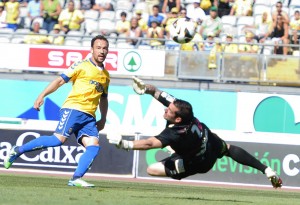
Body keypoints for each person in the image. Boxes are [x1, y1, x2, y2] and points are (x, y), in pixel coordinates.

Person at [107, 77, 283, 189]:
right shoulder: (183, 109)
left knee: (151, 169)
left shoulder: (175, 132)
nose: (166, 110)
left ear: (177, 120)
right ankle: (267, 170)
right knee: (228, 148)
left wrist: (125, 144)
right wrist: (147, 88)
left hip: (198, 162)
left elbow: (149, 144)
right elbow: (157, 92)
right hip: (209, 140)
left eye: (169, 111)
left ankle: (180, 162)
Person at [4, 35, 110, 188]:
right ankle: (17, 150)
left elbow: (104, 98)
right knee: (57, 140)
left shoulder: (106, 76)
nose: (101, 51)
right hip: (74, 108)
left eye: (104, 48)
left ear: (108, 51)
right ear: (92, 50)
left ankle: (75, 179)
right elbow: (60, 80)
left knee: (93, 146)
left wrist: (104, 118)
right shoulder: (81, 65)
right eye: (98, 48)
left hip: (90, 116)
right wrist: (42, 95)